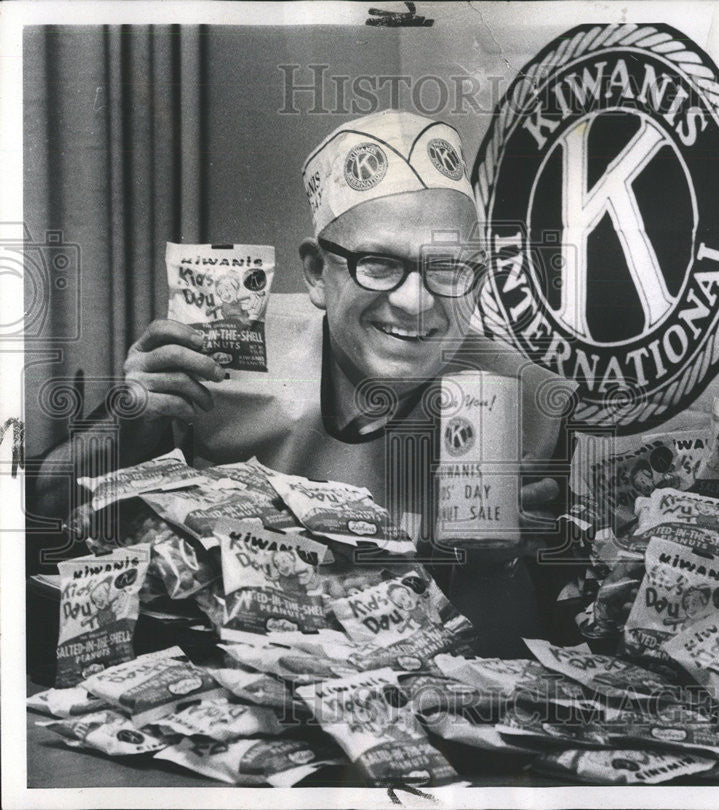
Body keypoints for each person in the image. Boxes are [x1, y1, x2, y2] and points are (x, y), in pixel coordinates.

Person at [31, 109, 577, 656]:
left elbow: (535, 653)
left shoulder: (529, 399)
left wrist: (500, 564)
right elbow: (40, 513)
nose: (418, 302)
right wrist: (129, 429)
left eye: (450, 268)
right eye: (379, 263)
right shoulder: (223, 353)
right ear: (317, 272)